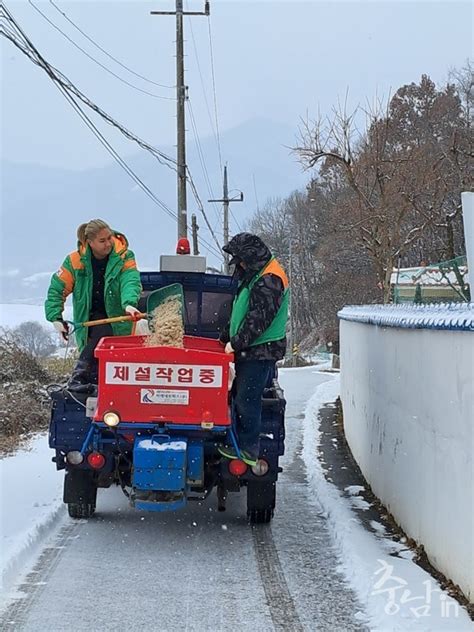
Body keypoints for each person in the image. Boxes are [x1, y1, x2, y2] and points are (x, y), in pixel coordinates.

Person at [45, 219, 141, 391]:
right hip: (88, 321)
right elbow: (57, 289)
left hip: (118, 320)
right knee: (99, 339)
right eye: (102, 241)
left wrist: (129, 304)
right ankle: (86, 382)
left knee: (106, 341)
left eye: (109, 238)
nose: (108, 244)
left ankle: (81, 378)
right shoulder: (74, 261)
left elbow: (130, 281)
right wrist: (56, 318)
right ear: (90, 243)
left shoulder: (124, 257)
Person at [218, 232, 289, 466]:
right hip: (252, 349)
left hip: (260, 351)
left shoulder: (270, 279)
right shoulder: (257, 274)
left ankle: (247, 448)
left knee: (247, 399)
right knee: (239, 396)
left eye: (240, 260)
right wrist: (227, 335)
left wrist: (236, 342)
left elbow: (258, 320)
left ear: (250, 257)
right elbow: (242, 309)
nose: (238, 265)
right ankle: (236, 441)